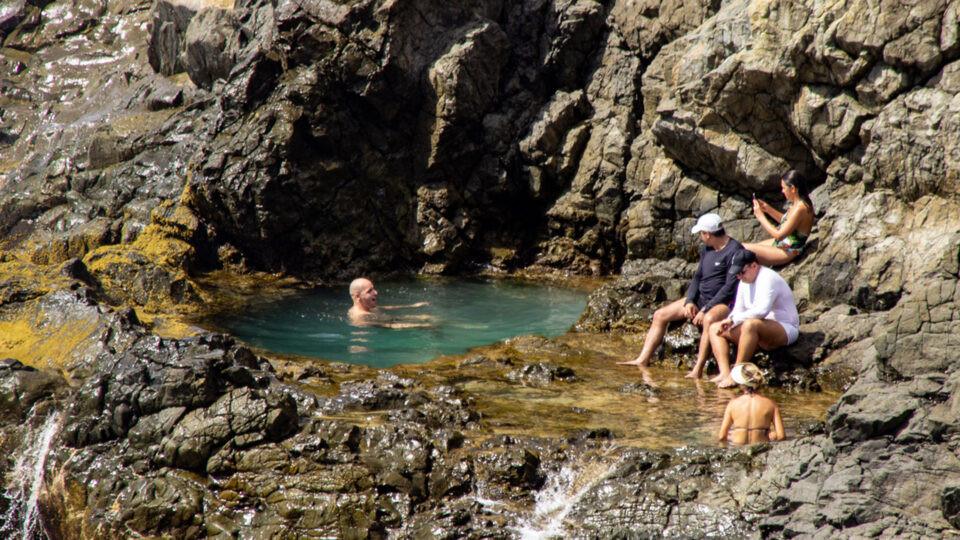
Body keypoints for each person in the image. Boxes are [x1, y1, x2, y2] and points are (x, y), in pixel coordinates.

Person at [618, 213, 743, 379]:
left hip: (724, 303)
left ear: (708, 234)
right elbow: (697, 277)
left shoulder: (735, 251)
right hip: (701, 299)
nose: (700, 237)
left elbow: (729, 287)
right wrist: (691, 301)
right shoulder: (707, 248)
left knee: (708, 320)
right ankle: (642, 359)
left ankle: (697, 369)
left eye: (700, 233)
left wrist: (705, 309)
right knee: (660, 315)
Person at [709, 250, 799, 388]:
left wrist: (733, 320)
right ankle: (724, 372)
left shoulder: (768, 278)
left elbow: (762, 311)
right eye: (737, 273)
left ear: (754, 266)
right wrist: (730, 320)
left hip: (785, 328)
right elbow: (738, 311)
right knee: (715, 328)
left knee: (750, 324)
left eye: (742, 272)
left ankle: (736, 374)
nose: (739, 276)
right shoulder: (743, 281)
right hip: (757, 330)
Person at [743, 170, 814, 266]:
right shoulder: (799, 203)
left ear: (792, 188)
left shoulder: (800, 209)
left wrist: (760, 217)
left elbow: (779, 235)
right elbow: (789, 223)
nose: (782, 191)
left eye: (784, 188)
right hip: (782, 244)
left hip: (787, 251)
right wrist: (768, 209)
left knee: (742, 249)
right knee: (740, 248)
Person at [717, 363, 786, 445]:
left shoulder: (732, 404)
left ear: (741, 383)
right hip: (762, 449)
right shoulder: (771, 404)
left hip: (739, 449)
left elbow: (721, 436)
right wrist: (770, 434)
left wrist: (735, 434)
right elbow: (781, 436)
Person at [347, 277, 429, 327]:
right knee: (427, 323)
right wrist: (419, 325)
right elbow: (388, 326)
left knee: (426, 317)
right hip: (391, 324)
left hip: (391, 320)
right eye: (370, 291)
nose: (376, 293)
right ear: (357, 297)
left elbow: (388, 308)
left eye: (373, 289)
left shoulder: (368, 307)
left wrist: (412, 306)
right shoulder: (360, 317)